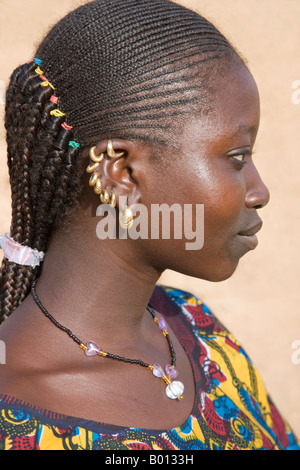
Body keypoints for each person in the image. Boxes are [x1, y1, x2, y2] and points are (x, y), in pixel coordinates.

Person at [0, 0, 298, 451]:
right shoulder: (16, 419)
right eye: (237, 159)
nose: (260, 192)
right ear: (121, 173)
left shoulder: (197, 328)